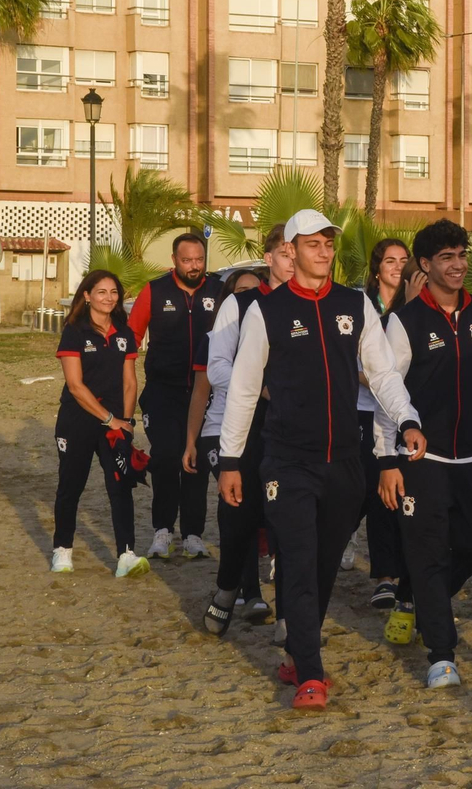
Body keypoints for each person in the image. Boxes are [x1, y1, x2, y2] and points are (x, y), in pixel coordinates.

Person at [218, 209, 423, 710]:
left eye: (329, 243)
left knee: (324, 565)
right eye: (313, 243)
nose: (325, 251)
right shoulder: (265, 311)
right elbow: (243, 390)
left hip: (345, 462)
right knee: (298, 558)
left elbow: (383, 373)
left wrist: (407, 419)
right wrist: (229, 458)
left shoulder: (355, 304)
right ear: (290, 250)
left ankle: (297, 644)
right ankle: (310, 673)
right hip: (286, 462)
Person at [375, 218, 472, 688]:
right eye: (447, 258)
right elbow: (385, 391)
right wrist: (387, 460)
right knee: (429, 553)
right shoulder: (404, 321)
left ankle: (414, 595)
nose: (458, 265)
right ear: (425, 265)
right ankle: (441, 653)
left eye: (462, 255)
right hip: (422, 460)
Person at [186, 225, 297, 638]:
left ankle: (288, 617)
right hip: (247, 425)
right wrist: (260, 386)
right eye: (284, 253)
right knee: (240, 519)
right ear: (269, 259)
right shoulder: (241, 302)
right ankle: (228, 588)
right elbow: (216, 368)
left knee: (291, 521)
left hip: (296, 430)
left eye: (296, 252)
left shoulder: (319, 304)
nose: (292, 260)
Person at [185, 264, 269, 628]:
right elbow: (201, 391)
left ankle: (238, 587)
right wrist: (190, 441)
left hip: (264, 430)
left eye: (255, 291)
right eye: (240, 292)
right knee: (237, 505)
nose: (248, 299)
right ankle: (246, 592)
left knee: (258, 510)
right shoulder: (215, 336)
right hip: (219, 430)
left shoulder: (275, 325)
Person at [51, 270, 149, 578]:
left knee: (120, 486)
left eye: (114, 292)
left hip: (115, 425)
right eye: (102, 292)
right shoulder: (74, 331)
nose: (109, 298)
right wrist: (108, 418)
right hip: (78, 421)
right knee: (71, 486)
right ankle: (62, 550)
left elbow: (130, 382)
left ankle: (126, 555)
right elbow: (76, 386)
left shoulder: (123, 332)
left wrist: (126, 421)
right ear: (87, 296)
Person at [131, 233, 222, 560]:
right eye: (187, 260)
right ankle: (162, 531)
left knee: (195, 459)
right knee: (167, 456)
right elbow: (131, 339)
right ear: (174, 261)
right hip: (162, 392)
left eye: (199, 259)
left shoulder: (217, 291)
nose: (195, 266)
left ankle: (194, 534)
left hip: (204, 392)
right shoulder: (154, 291)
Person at [357, 237, 425, 610]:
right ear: (377, 267)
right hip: (366, 409)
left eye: (403, 261)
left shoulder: (416, 305)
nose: (398, 267)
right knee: (377, 489)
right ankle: (384, 575)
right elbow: (364, 369)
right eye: (390, 261)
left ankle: (404, 574)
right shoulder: (363, 304)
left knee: (408, 491)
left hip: (408, 411)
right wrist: (384, 377)